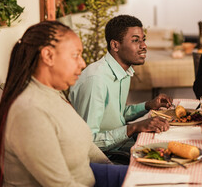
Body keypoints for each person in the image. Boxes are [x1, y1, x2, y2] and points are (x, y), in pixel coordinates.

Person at [0, 21, 127, 187]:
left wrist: (114, 172)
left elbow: (87, 146)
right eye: (75, 55)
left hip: (90, 176)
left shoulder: (54, 93)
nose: (82, 64)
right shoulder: (29, 111)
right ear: (48, 56)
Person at [69, 15, 172, 162]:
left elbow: (115, 115)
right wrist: (133, 128)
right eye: (136, 40)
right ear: (115, 45)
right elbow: (88, 142)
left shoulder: (122, 71)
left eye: (143, 40)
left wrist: (148, 105)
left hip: (119, 148)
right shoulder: (96, 80)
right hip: (103, 159)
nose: (144, 46)